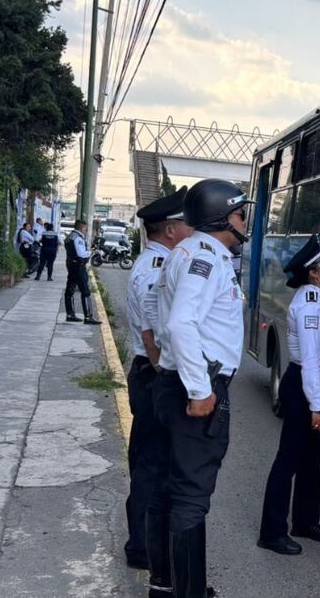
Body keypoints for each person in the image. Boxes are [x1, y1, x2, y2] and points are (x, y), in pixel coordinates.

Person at [148, 179, 250, 598]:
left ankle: (165, 585)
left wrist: (168, 366)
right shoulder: (205, 257)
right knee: (191, 497)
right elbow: (178, 322)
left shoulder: (186, 252)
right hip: (197, 389)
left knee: (168, 488)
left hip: (176, 381)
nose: (246, 221)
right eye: (242, 214)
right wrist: (199, 390)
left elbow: (158, 308)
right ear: (223, 216)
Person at [258, 236, 320, 555]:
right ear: (313, 273)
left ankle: (306, 522)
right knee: (289, 459)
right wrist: (317, 407)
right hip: (304, 385)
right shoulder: (308, 305)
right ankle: (272, 531)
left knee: (312, 458)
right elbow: (308, 360)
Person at [123, 187, 192, 572]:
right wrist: (166, 374)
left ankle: (145, 544)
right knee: (152, 463)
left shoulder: (158, 263)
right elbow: (153, 333)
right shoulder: (155, 270)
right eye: (184, 224)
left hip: (149, 372)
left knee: (152, 459)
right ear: (169, 230)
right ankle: (143, 548)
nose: (189, 230)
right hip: (153, 374)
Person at [64, 220, 100, 324]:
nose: (86, 231)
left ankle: (70, 314)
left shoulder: (70, 236)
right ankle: (88, 317)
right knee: (85, 291)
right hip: (78, 266)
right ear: (81, 228)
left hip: (71, 264)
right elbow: (81, 253)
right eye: (85, 229)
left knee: (70, 289)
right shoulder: (78, 238)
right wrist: (91, 253)